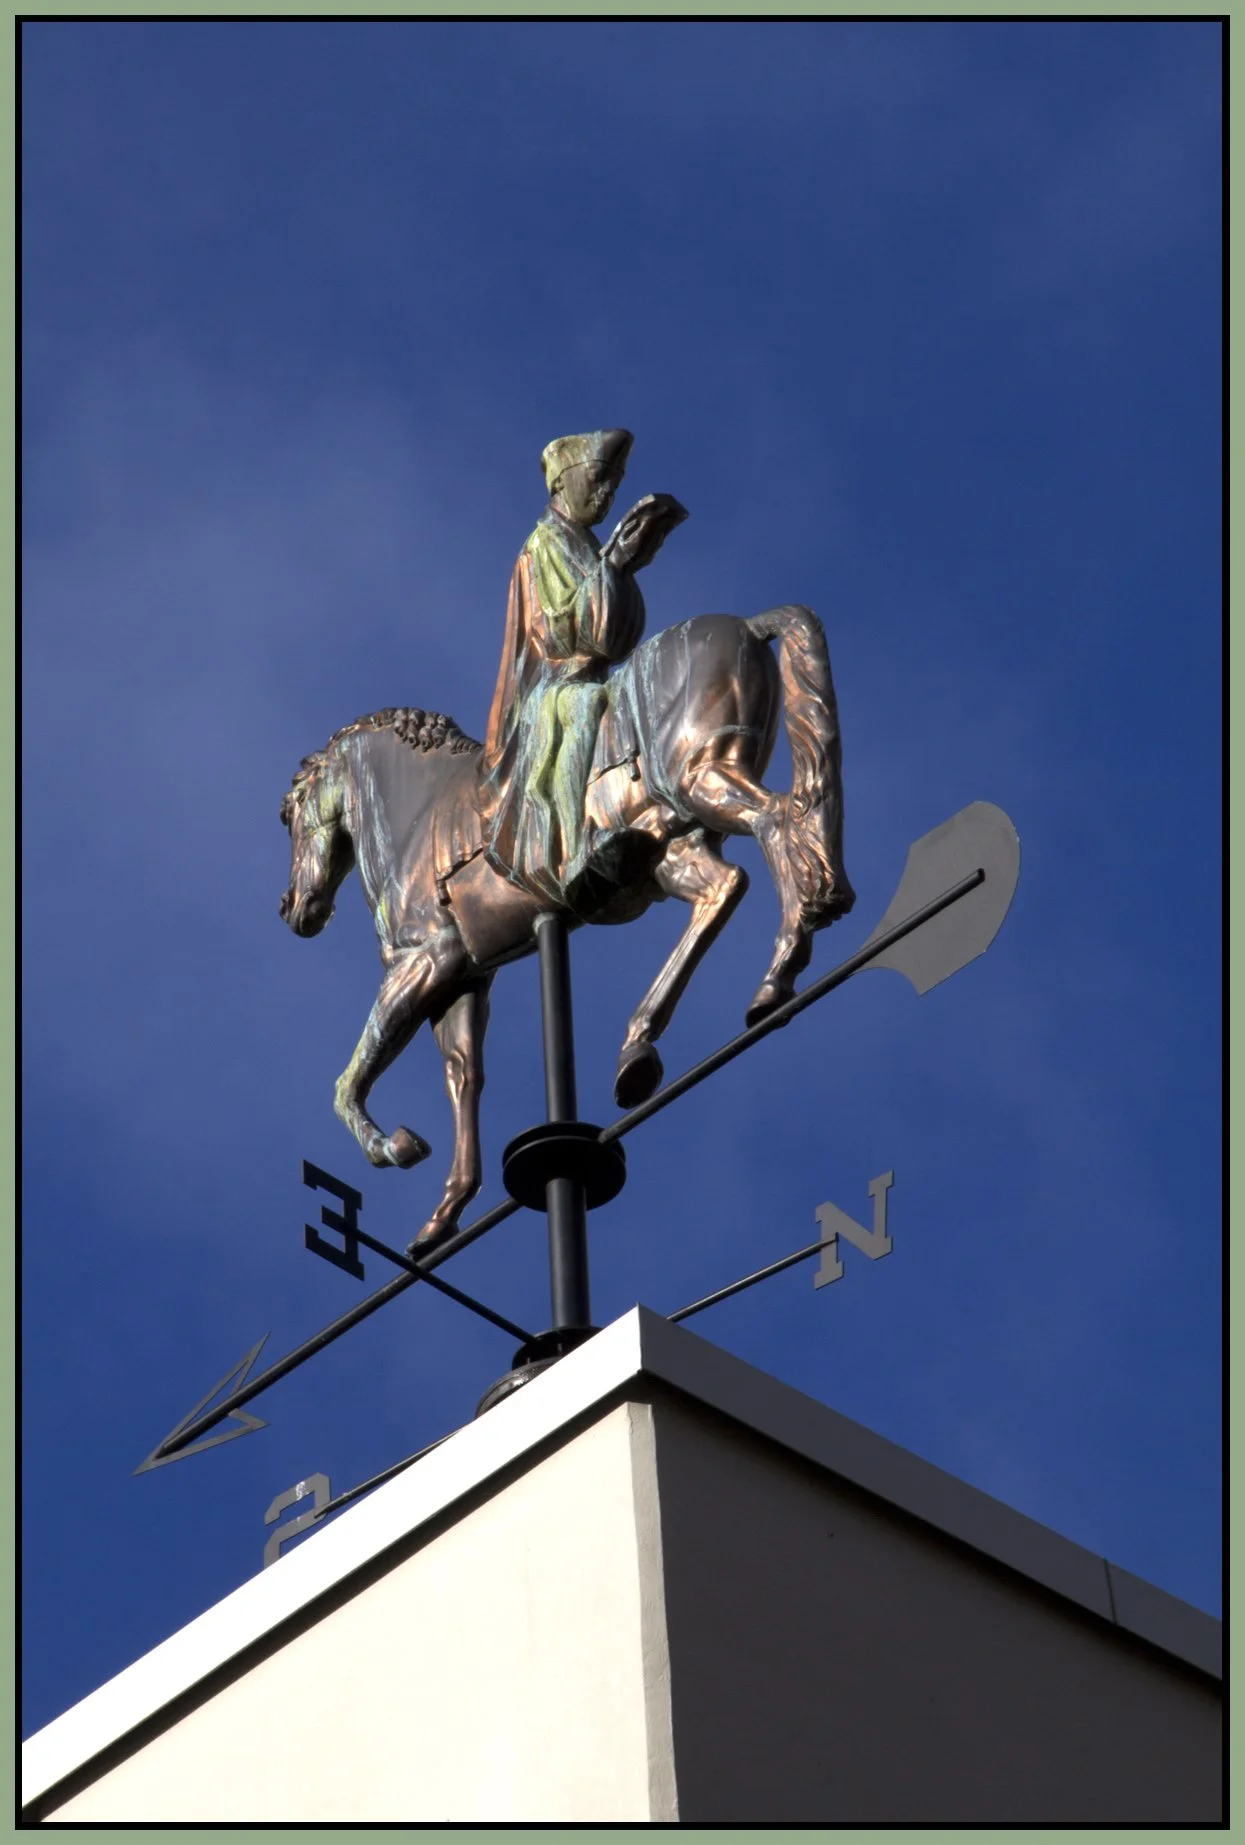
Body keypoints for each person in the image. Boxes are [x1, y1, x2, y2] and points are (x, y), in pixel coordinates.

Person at [480, 429, 686, 912]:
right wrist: (613, 566)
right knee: (585, 706)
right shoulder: (543, 544)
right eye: (596, 481)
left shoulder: (584, 544)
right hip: (554, 684)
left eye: (612, 487)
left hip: (589, 668)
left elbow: (614, 636)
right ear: (561, 484)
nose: (605, 496)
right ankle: (573, 849)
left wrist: (619, 565)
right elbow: (560, 628)